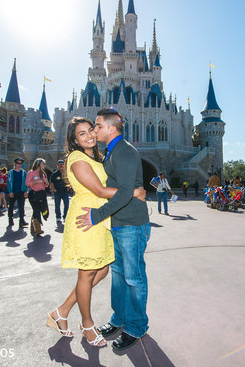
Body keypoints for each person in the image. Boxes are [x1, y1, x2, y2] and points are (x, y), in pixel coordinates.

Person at [47, 117, 146, 348]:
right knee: (87, 274)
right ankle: (87, 325)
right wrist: (134, 192)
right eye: (82, 133)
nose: (90, 135)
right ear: (74, 140)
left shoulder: (97, 157)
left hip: (100, 219)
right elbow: (100, 190)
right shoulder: (77, 158)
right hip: (87, 219)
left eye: (91, 129)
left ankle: (61, 312)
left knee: (100, 271)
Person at [76, 108, 151, 352]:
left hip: (131, 224)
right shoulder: (112, 151)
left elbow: (126, 192)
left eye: (97, 126)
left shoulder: (125, 152)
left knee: (133, 277)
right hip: (118, 224)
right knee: (118, 277)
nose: (94, 130)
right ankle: (119, 319)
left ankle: (137, 326)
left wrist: (95, 216)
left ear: (111, 128)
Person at [26, 158, 49, 235]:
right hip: (33, 194)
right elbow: (27, 183)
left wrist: (46, 182)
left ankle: (33, 228)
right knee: (36, 209)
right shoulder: (31, 173)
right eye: (43, 164)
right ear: (38, 164)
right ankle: (38, 229)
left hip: (41, 193)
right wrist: (36, 182)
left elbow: (46, 185)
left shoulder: (43, 174)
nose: (44, 165)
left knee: (37, 210)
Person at [7, 158, 28, 227]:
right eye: (18, 163)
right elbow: (9, 182)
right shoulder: (10, 172)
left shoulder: (23, 172)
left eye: (20, 163)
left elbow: (25, 182)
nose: (19, 164)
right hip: (13, 192)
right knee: (11, 207)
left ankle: (21, 220)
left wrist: (25, 191)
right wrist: (10, 191)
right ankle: (10, 220)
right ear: (15, 163)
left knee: (22, 207)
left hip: (21, 192)